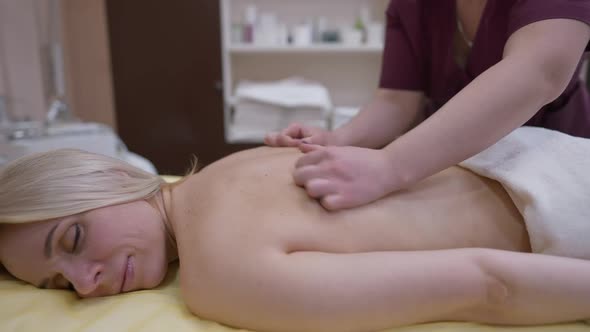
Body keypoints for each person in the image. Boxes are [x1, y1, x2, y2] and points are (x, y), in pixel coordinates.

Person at [2, 141, 590, 332]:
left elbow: (487, 286)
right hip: (531, 151)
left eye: (74, 239)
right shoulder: (229, 166)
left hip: (560, 209)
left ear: (107, 179)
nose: (85, 284)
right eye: (58, 283)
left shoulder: (218, 276)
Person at [265, 0, 590, 211]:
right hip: (451, 168)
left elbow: (539, 71)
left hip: (551, 168)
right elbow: (396, 100)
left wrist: (391, 165)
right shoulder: (413, 6)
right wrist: (340, 138)